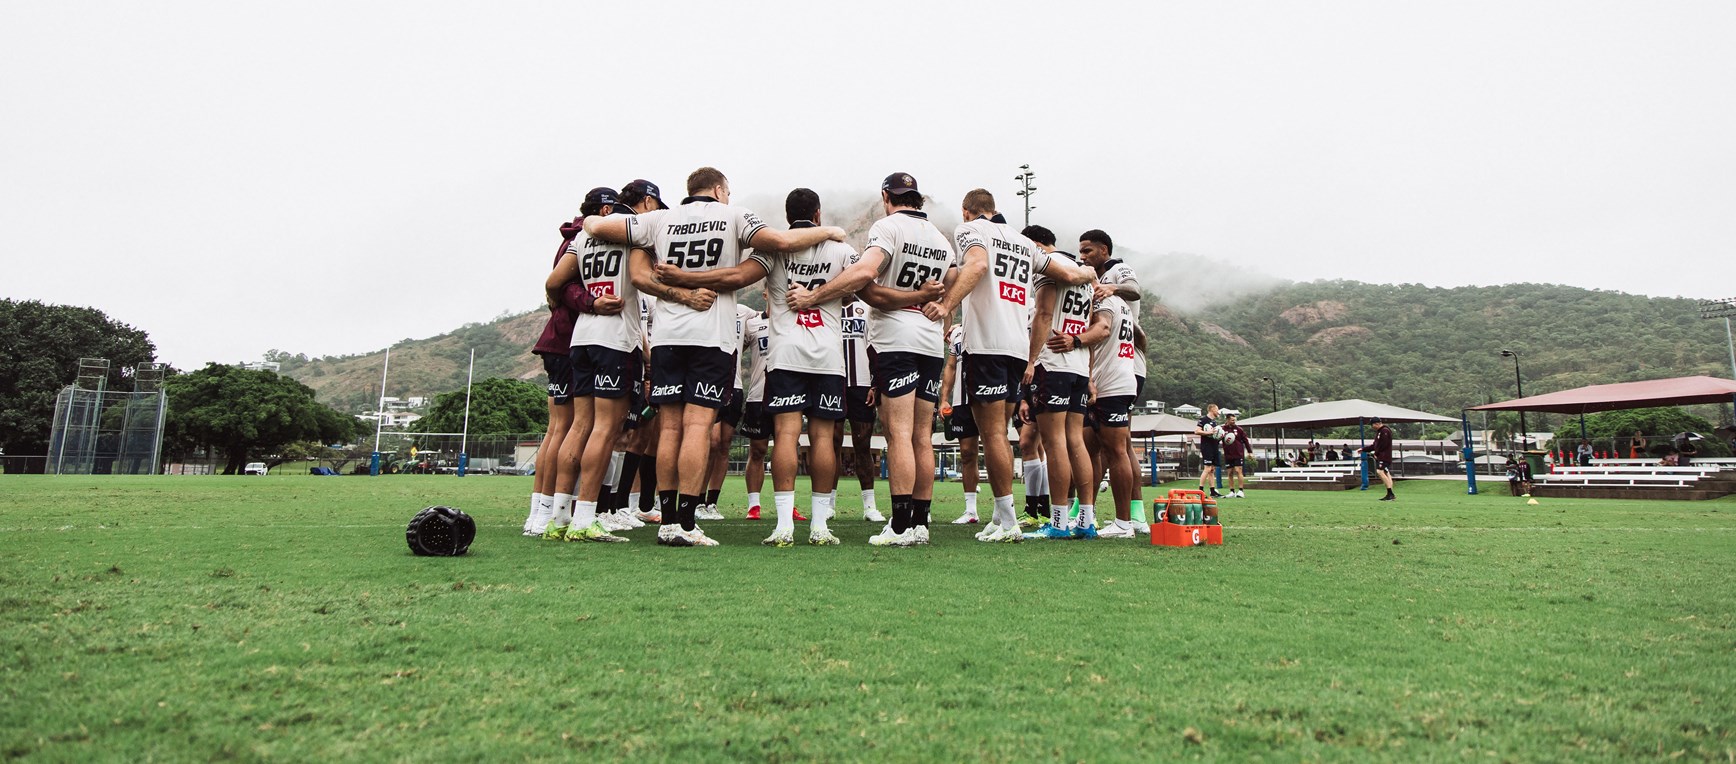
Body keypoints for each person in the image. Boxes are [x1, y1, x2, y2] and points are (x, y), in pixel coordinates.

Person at [583, 167, 846, 547]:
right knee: (697, 428)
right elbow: (778, 242)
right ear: (721, 190)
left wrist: (590, 217)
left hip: (667, 336)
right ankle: (688, 523)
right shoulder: (735, 214)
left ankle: (668, 521)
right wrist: (829, 232)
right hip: (712, 336)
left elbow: (597, 228)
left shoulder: (659, 218)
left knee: (670, 428)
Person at [658, 188, 853, 546]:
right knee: (824, 438)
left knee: (786, 438)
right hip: (827, 355)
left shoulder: (774, 249)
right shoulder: (842, 249)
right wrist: (827, 293)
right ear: (819, 214)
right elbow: (859, 284)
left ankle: (782, 526)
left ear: (786, 214)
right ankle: (821, 527)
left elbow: (739, 277)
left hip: (785, 355)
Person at [789, 173, 950, 547]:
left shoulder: (887, 226)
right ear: (918, 199)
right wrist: (939, 305)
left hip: (896, 340)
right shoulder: (941, 237)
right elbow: (954, 281)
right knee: (921, 437)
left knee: (897, 435)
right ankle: (921, 524)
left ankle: (899, 526)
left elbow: (863, 273)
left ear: (885, 197)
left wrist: (815, 297)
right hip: (929, 340)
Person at [936, 189, 1095, 544]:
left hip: (987, 344)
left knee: (991, 433)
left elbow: (976, 265)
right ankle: (998, 515)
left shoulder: (970, 231)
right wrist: (1090, 274)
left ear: (967, 212)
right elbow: (1067, 274)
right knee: (1002, 434)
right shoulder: (1022, 241)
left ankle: (1008, 520)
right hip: (1017, 348)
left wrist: (947, 305)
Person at [543, 185, 669, 542]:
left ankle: (559, 518)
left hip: (581, 338)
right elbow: (645, 278)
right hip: (615, 341)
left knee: (579, 427)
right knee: (605, 431)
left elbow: (554, 282)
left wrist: (587, 299)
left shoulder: (583, 237)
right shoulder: (634, 237)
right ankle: (586, 518)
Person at [1021, 224, 1101, 539]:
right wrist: (1090, 374)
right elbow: (1091, 324)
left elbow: (1042, 315)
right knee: (1075, 441)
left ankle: (1058, 521)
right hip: (1078, 368)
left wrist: (1029, 361)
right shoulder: (1085, 276)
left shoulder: (1049, 271)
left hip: (1052, 365)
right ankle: (1086, 520)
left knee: (1054, 444)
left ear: (1037, 246)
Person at [1078, 229, 1148, 524]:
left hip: (1125, 366)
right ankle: (1085, 512)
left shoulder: (1118, 269)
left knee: (1119, 445)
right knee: (1096, 444)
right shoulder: (1092, 283)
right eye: (1080, 252)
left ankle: (1133, 515)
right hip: (1107, 365)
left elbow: (1135, 289)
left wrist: (1113, 290)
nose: (1083, 256)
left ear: (1104, 250)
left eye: (1088, 251)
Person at [1082, 293, 1141, 537]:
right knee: (1089, 450)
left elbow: (1103, 329)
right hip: (1110, 382)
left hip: (1113, 386)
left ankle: (1124, 523)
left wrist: (1075, 340)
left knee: (1117, 451)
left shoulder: (1105, 301)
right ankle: (1087, 515)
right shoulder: (1122, 304)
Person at [838, 296, 885, 522]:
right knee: (829, 444)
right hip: (833, 382)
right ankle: (828, 504)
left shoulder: (866, 307)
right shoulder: (828, 303)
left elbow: (876, 344)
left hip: (862, 385)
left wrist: (875, 384)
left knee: (863, 445)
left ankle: (869, 506)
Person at [939, 322, 981, 523]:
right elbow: (951, 366)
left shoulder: (991, 320)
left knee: (994, 445)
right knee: (967, 452)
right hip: (961, 401)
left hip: (988, 396)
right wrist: (944, 398)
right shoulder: (956, 332)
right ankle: (971, 510)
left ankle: (1002, 510)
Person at [1359, 417, 1396, 501]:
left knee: (1380, 471)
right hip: (1382, 456)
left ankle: (1390, 493)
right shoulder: (1379, 432)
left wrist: (1377, 453)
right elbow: (1375, 445)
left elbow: (1383, 445)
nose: (1372, 427)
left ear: (1376, 424)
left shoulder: (1385, 431)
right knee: (1386, 473)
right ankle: (1390, 494)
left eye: (1372, 425)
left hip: (1384, 456)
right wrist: (1363, 449)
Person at [1194, 403, 1225, 499]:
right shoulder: (1203, 420)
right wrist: (1209, 432)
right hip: (1207, 447)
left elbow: (1215, 435)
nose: (1218, 412)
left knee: (1212, 470)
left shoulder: (1214, 422)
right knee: (1207, 469)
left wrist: (1221, 436)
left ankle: (1213, 491)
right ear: (1212, 409)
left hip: (1214, 446)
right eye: (1217, 409)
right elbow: (1197, 431)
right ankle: (1200, 491)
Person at [1220, 412, 1252, 498]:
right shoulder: (1222, 429)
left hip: (1238, 453)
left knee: (1238, 471)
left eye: (1235, 420)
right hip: (1228, 454)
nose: (1234, 421)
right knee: (1230, 472)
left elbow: (1245, 441)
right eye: (1232, 420)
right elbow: (1217, 439)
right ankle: (1232, 491)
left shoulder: (1239, 429)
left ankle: (1241, 491)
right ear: (1227, 420)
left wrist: (1250, 452)